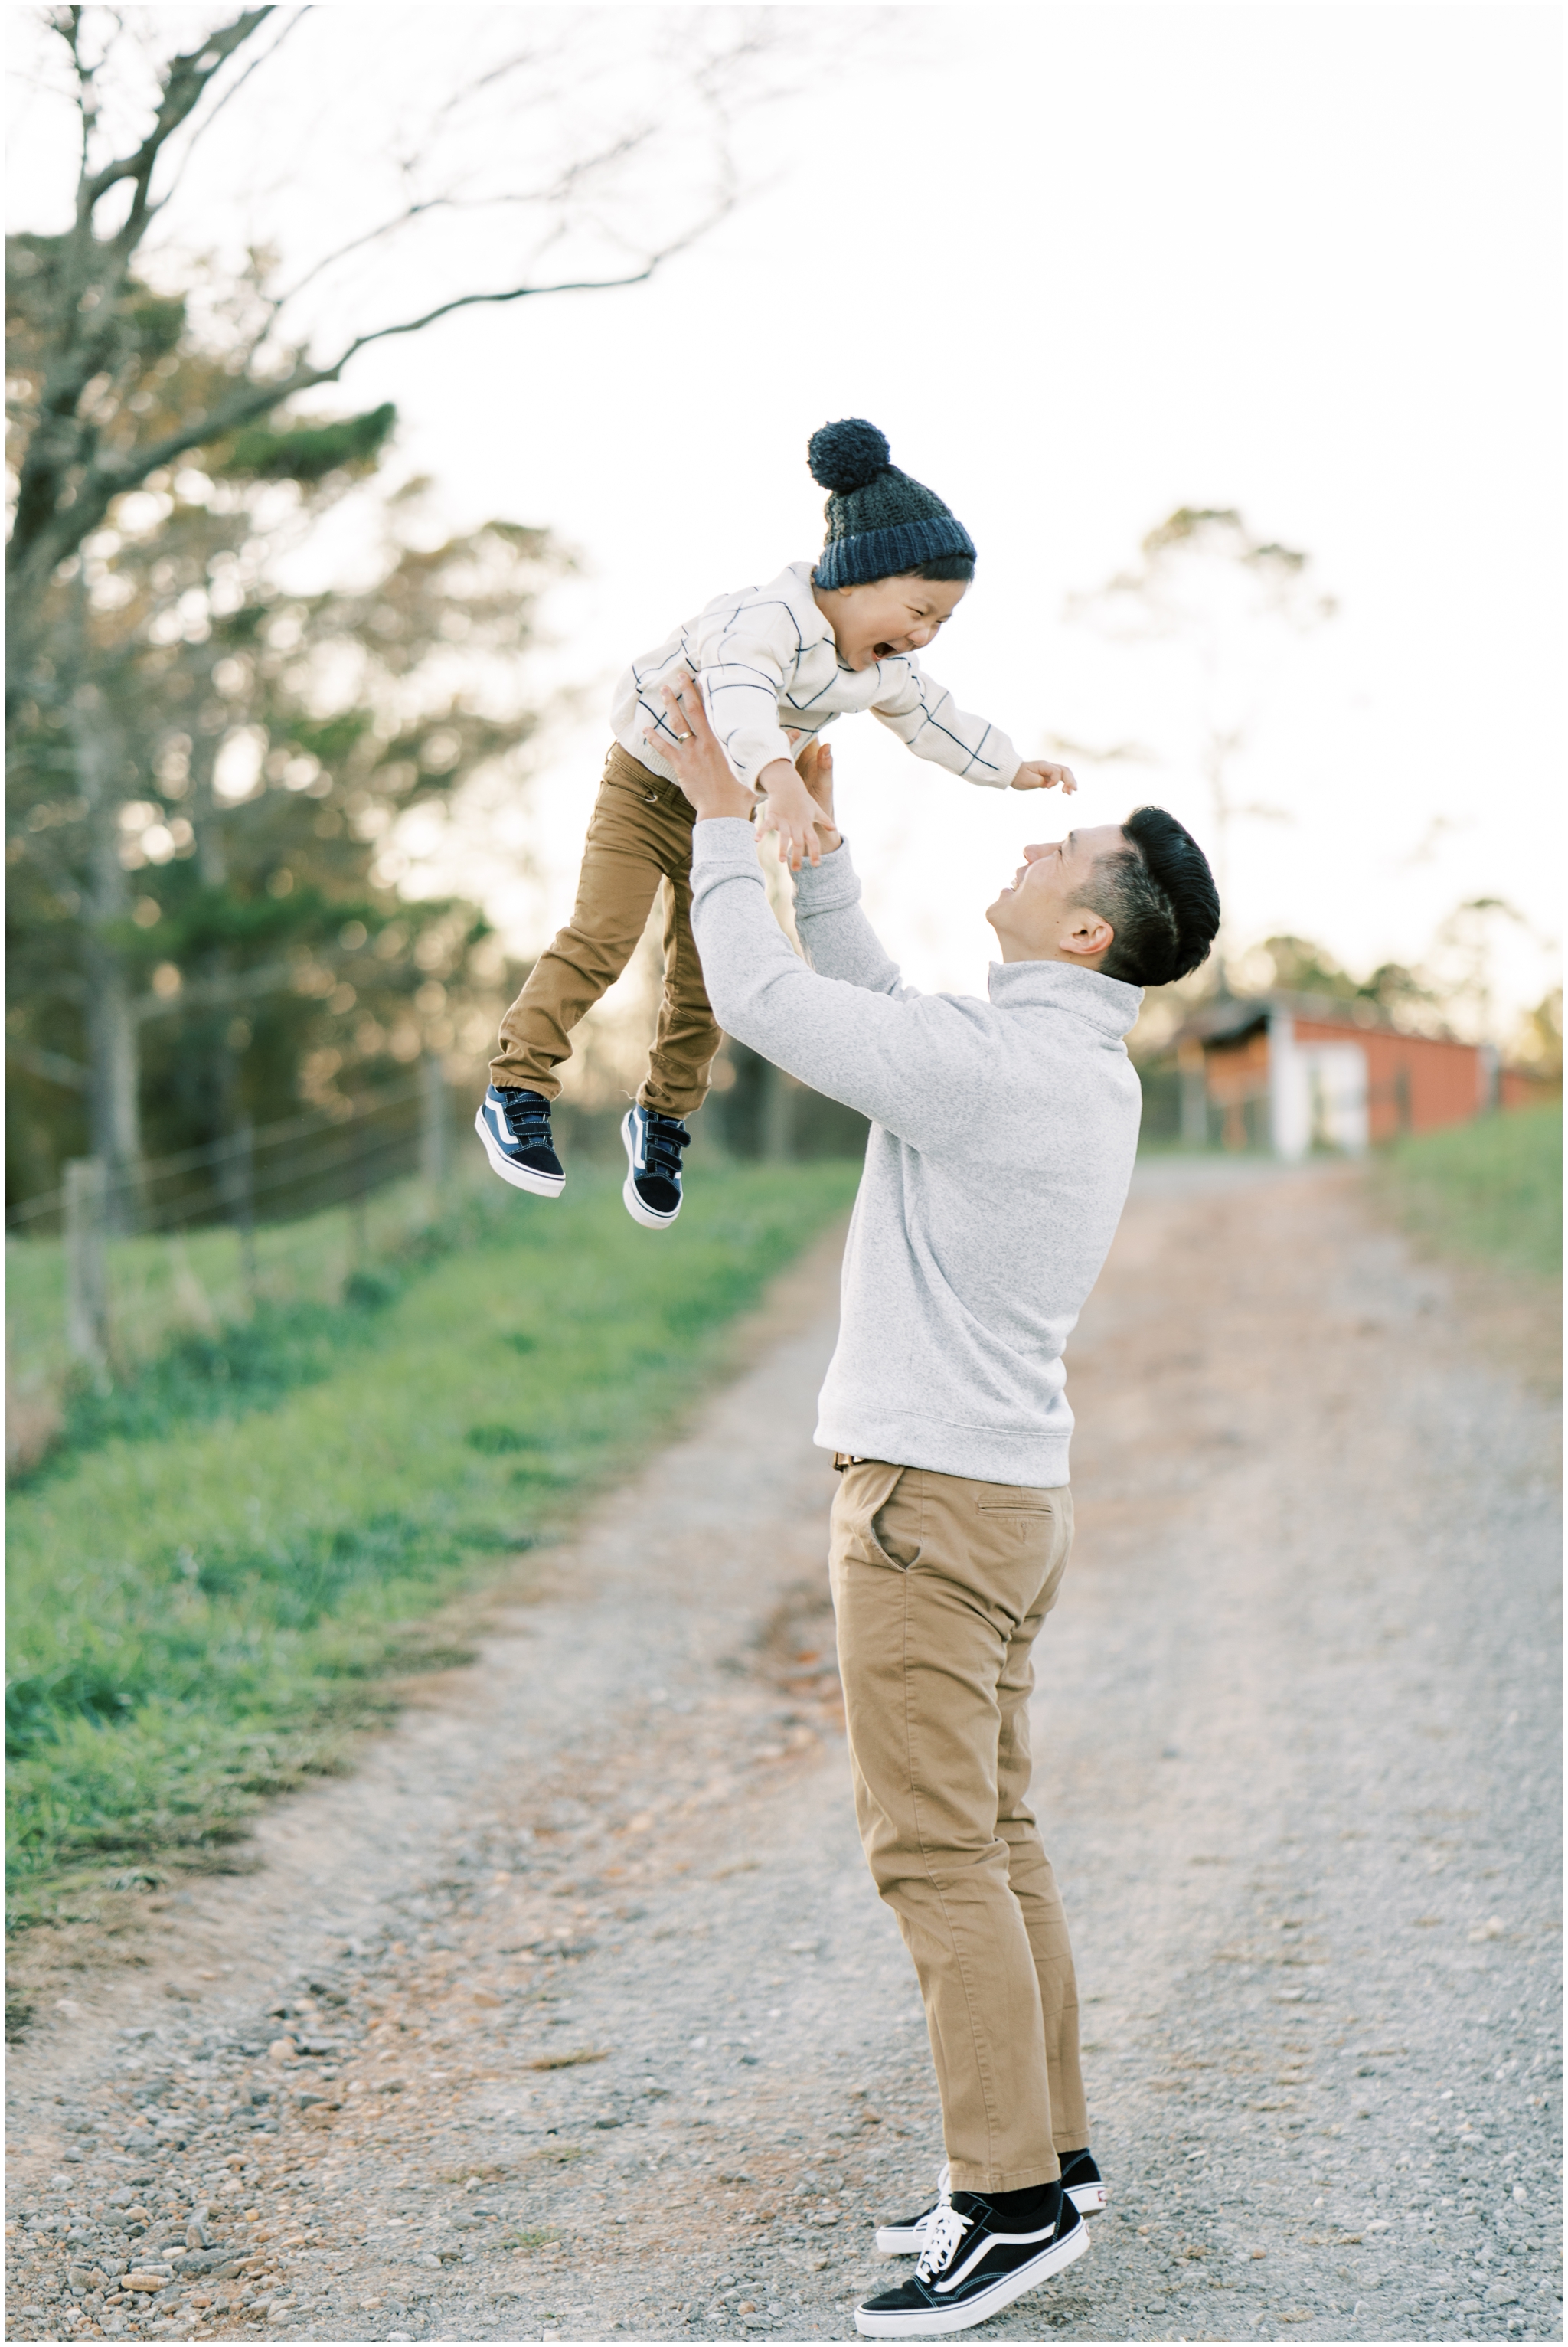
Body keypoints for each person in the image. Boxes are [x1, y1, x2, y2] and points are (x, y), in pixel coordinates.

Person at [651, 675, 1220, 2339]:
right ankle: (1050, 2153)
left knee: (935, 1852)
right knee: (1001, 1833)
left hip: (923, 1505)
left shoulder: (999, 1071)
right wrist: (812, 848)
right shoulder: (1049, 1060)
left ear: (1090, 933)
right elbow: (883, 999)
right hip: (999, 1499)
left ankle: (1011, 2205)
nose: (1042, 835)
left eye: (1073, 847)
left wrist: (713, 818)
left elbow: (763, 1000)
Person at [474, 417, 1076, 1232]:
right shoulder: (767, 619)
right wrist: (779, 780)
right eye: (917, 609)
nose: (922, 636)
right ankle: (516, 1084)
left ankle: (662, 1118)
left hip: (722, 817)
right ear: (858, 577)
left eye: (940, 623)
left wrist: (1007, 767)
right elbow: (738, 694)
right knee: (602, 935)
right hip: (648, 790)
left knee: (704, 979)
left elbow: (933, 716)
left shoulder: (879, 666)